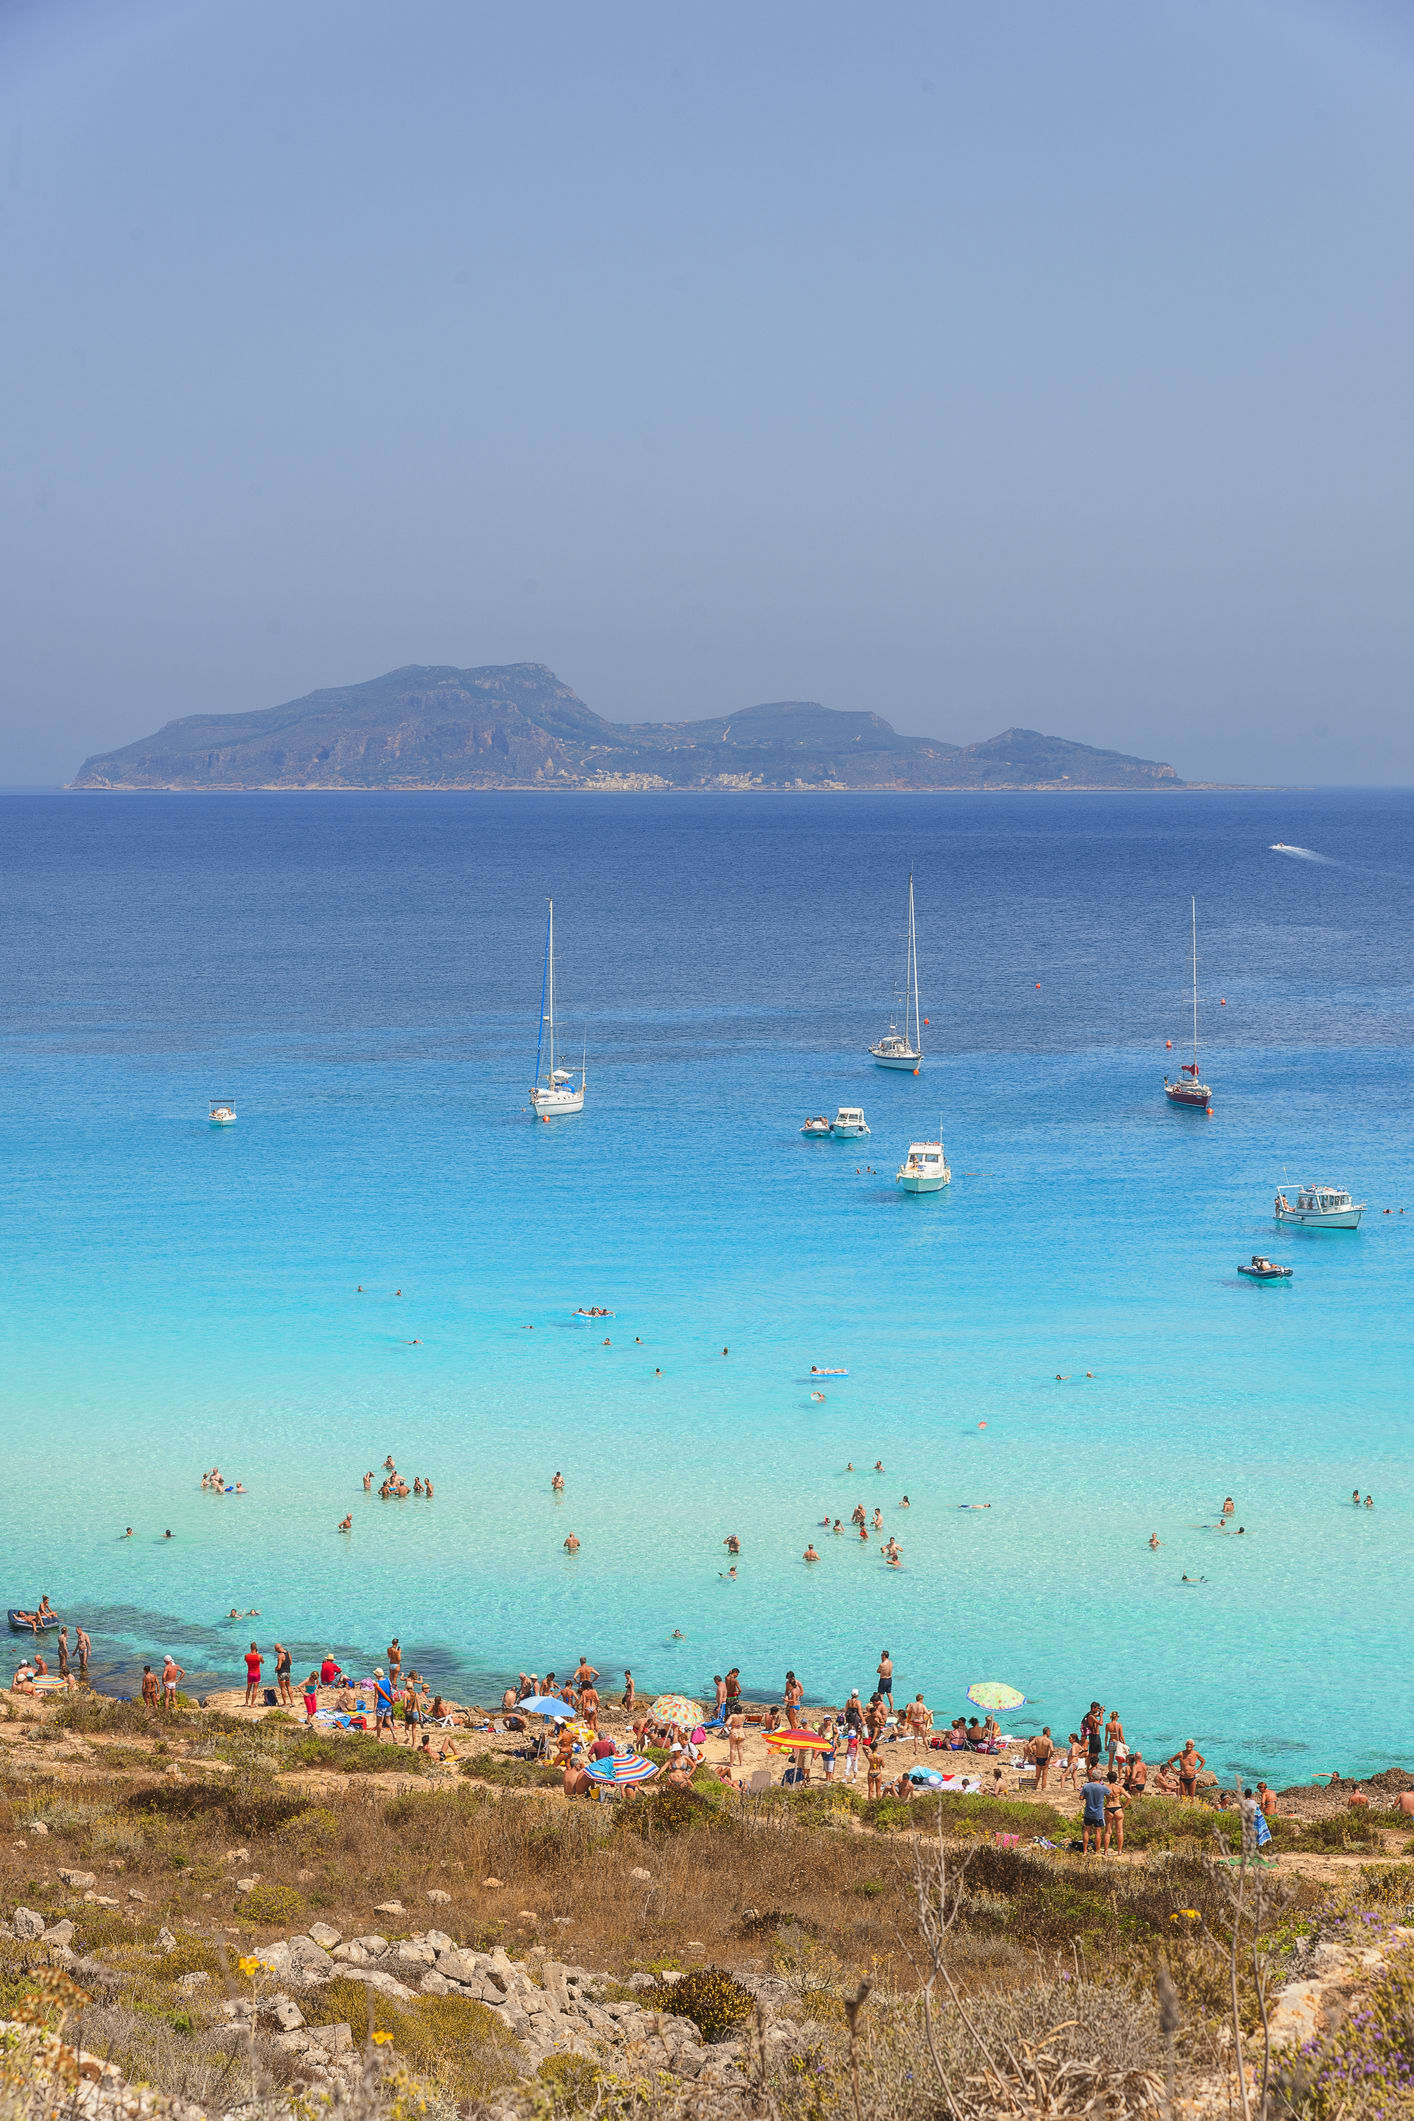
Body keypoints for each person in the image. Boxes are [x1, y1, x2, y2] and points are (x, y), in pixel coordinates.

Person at [1080, 1767, 1109, 1854]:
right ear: (1100, 1778)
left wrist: (1087, 1796)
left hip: (1088, 1812)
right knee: (1098, 1832)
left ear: (1092, 1776)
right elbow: (1110, 1795)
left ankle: (1085, 1851)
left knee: (1086, 1830)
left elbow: (1081, 1797)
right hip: (1098, 1813)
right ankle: (1097, 1851)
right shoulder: (1103, 1787)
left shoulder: (1086, 1786)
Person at [1104, 1770, 1127, 1853]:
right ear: (1116, 1778)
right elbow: (1129, 1797)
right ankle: (1119, 1851)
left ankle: (1105, 1851)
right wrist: (1124, 1806)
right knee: (1119, 1831)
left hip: (1109, 1808)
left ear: (1108, 1778)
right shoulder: (1119, 1788)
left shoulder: (1105, 1788)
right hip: (1118, 1808)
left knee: (1108, 1832)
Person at [1028, 1727, 1055, 1791]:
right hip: (1045, 1758)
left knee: (1037, 1775)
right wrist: (1049, 1758)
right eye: (1050, 1732)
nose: (1050, 1733)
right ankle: (1043, 1788)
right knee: (1044, 1775)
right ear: (1047, 1732)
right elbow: (1052, 1750)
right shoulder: (1049, 1741)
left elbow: (1029, 1745)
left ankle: (1035, 1787)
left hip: (1038, 1758)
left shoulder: (1037, 1739)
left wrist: (1033, 1754)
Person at [373, 1667, 395, 1739]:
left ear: (376, 1675)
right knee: (388, 1721)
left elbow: (376, 1697)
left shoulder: (377, 1684)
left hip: (381, 1704)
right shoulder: (388, 1680)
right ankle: (394, 1736)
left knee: (379, 1722)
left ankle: (378, 1738)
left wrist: (374, 1707)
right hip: (389, 1703)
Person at [243, 1642, 262, 1707]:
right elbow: (262, 1662)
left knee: (248, 1688)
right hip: (257, 1674)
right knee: (255, 1689)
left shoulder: (246, 1656)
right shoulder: (259, 1656)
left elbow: (246, 1660)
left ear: (250, 1648)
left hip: (250, 1673)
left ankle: (246, 1702)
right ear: (256, 1648)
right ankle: (252, 1703)